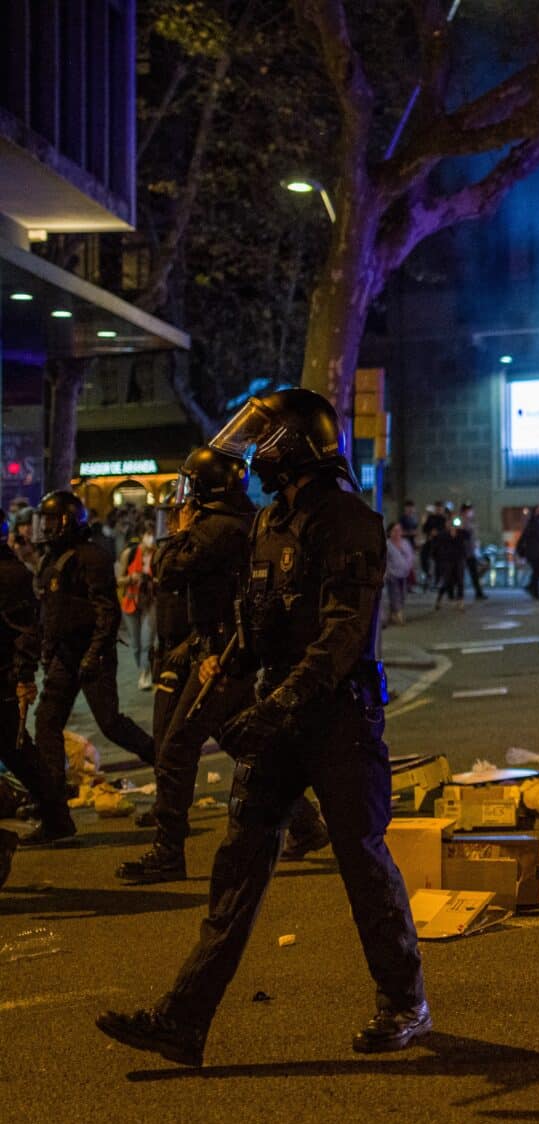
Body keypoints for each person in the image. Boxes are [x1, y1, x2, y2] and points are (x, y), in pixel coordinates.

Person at [95, 387, 430, 1067]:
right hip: (281, 716)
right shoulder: (267, 521)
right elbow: (257, 622)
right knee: (237, 866)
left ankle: (404, 999)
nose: (253, 452)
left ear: (296, 446)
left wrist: (275, 705)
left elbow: (341, 638)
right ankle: (183, 1019)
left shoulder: (348, 522)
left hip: (339, 719)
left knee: (361, 860)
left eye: (266, 438)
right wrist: (228, 677)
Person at [117, 447, 330, 885]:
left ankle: (168, 852)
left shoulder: (216, 529)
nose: (184, 499)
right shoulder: (244, 521)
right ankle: (307, 825)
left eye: (191, 487)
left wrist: (177, 532)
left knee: (176, 748)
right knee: (245, 744)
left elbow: (170, 571)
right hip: (220, 649)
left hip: (223, 654)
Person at [30, 489, 155, 793]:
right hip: (64, 654)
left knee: (110, 724)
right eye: (43, 521)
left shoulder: (92, 556)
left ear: (68, 521)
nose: (45, 528)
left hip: (92, 654)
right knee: (46, 723)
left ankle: (166, 762)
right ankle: (53, 804)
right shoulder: (52, 559)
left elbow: (106, 611)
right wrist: (47, 653)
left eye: (51, 521)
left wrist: (94, 653)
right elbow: (50, 611)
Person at [1, 535, 77, 846]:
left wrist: (23, 677)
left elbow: (25, 631)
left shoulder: (10, 574)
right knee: (19, 753)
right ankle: (57, 817)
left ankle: (57, 817)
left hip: (2, 676)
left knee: (20, 753)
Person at [120, 528, 155, 689]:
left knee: (146, 642)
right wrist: (130, 578)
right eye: (148, 534)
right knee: (135, 644)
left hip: (150, 602)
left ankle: (145, 674)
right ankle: (142, 670)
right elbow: (118, 580)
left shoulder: (158, 554)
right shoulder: (130, 553)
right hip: (131, 601)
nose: (151, 538)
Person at [515, 506, 539, 599]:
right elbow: (524, 536)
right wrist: (519, 549)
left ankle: (531, 586)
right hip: (534, 552)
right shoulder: (533, 523)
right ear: (535, 512)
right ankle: (535, 592)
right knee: (537, 570)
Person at [384, 521, 416, 623]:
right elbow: (384, 560)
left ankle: (393, 613)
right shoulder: (387, 545)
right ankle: (399, 615)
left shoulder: (405, 543)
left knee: (402, 595)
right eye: (395, 530)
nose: (398, 532)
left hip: (404, 573)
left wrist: (409, 566)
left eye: (399, 530)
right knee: (395, 594)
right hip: (392, 574)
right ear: (390, 532)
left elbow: (411, 556)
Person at [457, 502, 488, 600]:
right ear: (464, 512)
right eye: (469, 511)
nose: (471, 513)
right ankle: (474, 593)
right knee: (460, 573)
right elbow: (462, 537)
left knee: (474, 572)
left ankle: (478, 592)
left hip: (470, 551)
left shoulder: (470, 522)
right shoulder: (460, 522)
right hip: (463, 552)